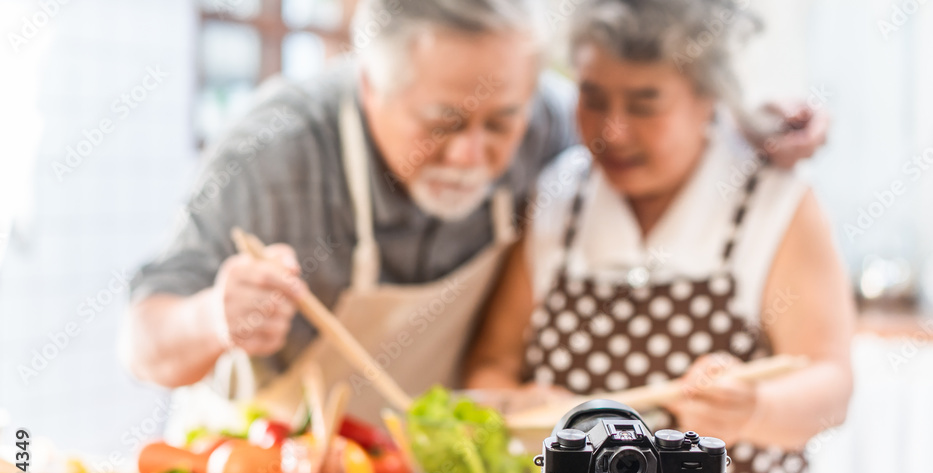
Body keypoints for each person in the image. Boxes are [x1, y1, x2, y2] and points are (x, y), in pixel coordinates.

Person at [124, 0, 829, 421]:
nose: (473, 155)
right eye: (442, 122)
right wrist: (216, 315)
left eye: (501, 121)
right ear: (370, 86)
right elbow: (144, 345)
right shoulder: (273, 152)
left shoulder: (551, 127)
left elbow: (639, 123)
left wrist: (748, 122)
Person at [464, 0, 855, 473]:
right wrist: (515, 406)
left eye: (646, 104)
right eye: (594, 98)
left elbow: (830, 381)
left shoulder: (773, 201)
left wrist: (752, 411)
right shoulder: (558, 196)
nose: (614, 130)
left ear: (708, 99)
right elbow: (491, 366)